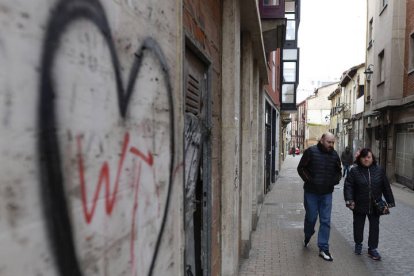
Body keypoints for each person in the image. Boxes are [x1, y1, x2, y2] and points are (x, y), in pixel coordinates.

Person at [343, 148, 395, 260]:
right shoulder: (354, 171)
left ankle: (372, 248)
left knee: (375, 227)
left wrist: (390, 201)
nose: (366, 159)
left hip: (376, 205)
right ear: (360, 158)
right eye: (364, 157)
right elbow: (348, 186)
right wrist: (349, 200)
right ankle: (358, 244)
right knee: (358, 225)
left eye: (369, 157)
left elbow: (386, 186)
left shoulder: (379, 170)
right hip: (359, 204)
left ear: (372, 158)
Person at [297, 132, 342, 261]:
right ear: (322, 140)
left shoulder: (334, 155)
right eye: (329, 142)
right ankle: (307, 235)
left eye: (333, 142)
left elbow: (339, 172)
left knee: (326, 221)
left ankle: (323, 248)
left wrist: (334, 181)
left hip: (327, 193)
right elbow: (301, 168)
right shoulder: (311, 152)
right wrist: (309, 180)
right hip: (311, 192)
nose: (331, 145)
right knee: (311, 218)